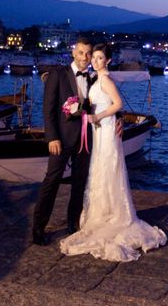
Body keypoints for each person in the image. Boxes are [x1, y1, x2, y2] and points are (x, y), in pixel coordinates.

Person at [60, 43, 167, 261]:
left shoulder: (106, 79)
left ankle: (113, 215)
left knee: (108, 168)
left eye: (100, 58)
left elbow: (117, 104)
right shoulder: (95, 78)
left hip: (105, 129)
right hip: (98, 130)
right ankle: (103, 211)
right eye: (94, 57)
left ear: (108, 60)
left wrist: (99, 117)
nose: (95, 61)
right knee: (100, 170)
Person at [32, 38, 121, 246]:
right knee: (51, 182)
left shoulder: (93, 78)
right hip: (61, 139)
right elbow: (48, 109)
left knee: (79, 183)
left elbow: (108, 100)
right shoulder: (58, 75)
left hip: (87, 140)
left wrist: (121, 118)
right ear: (74, 52)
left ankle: (73, 224)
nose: (84, 58)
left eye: (88, 54)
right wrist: (52, 137)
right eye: (81, 53)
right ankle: (38, 228)